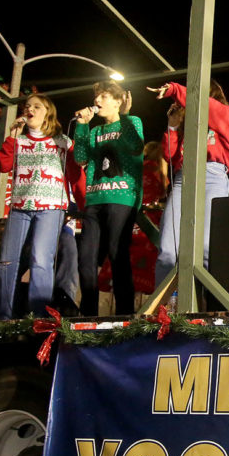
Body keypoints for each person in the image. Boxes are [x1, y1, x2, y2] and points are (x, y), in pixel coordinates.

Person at [149, 80, 229, 287]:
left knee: (207, 248)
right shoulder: (186, 126)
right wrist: (172, 126)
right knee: (168, 250)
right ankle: (163, 309)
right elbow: (169, 155)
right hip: (183, 178)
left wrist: (174, 90)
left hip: (212, 176)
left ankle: (204, 307)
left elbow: (204, 105)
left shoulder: (226, 113)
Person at [0, 93, 74, 319]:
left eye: (37, 107)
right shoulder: (18, 141)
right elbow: (2, 165)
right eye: (27, 106)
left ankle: (39, 316)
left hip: (51, 206)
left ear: (48, 113)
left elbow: (76, 171)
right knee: (7, 261)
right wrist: (11, 137)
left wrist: (83, 203)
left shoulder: (62, 141)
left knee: (40, 259)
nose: (30, 110)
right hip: (20, 206)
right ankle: (3, 317)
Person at [72, 80, 143, 316]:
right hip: (94, 200)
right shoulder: (94, 131)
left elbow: (135, 146)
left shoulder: (131, 122)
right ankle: (88, 314)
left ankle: (125, 315)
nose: (97, 101)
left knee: (117, 253)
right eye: (97, 97)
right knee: (86, 259)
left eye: (104, 96)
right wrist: (82, 126)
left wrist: (125, 116)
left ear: (118, 101)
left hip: (122, 197)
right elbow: (81, 158)